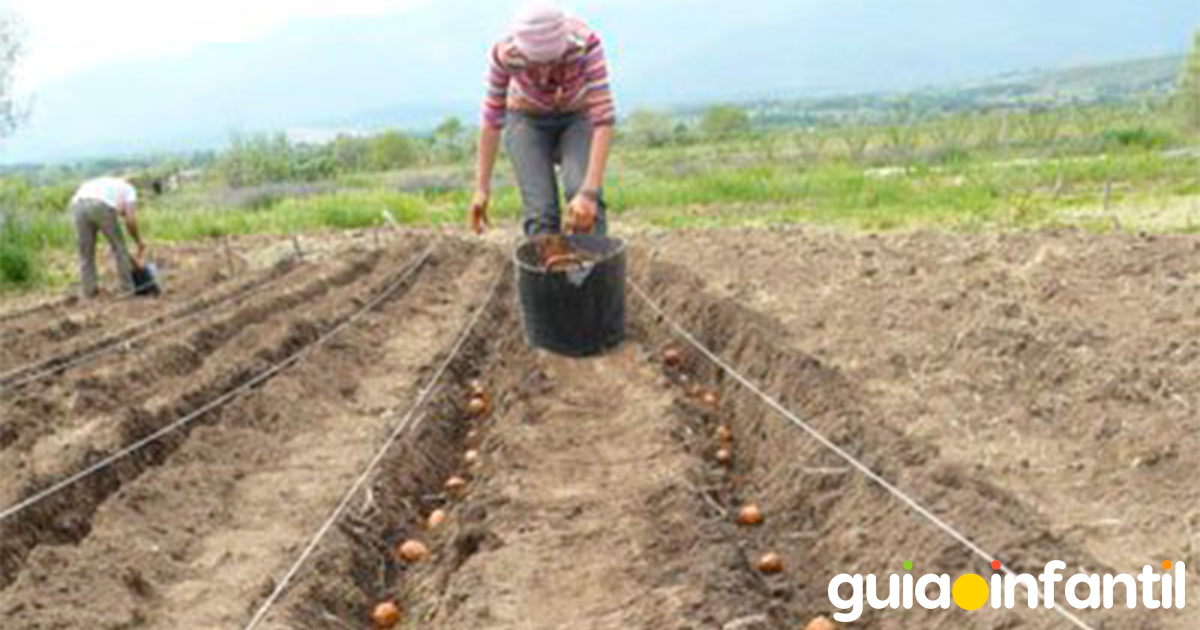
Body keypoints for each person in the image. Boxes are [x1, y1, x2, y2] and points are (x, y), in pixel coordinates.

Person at [469, 2, 616, 236]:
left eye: (552, 60)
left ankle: (595, 271)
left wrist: (589, 193)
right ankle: (546, 271)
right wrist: (482, 189)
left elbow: (603, 118)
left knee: (582, 197)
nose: (545, 68)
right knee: (541, 212)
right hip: (527, 120)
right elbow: (492, 117)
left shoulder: (585, 44)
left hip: (577, 117)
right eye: (536, 62)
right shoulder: (506, 53)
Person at [69, 176, 146, 298]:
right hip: (99, 205)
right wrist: (138, 241)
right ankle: (126, 289)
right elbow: (130, 220)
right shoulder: (130, 189)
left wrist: (118, 212)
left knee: (86, 253)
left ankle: (88, 292)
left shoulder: (107, 184)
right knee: (119, 248)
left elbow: (118, 209)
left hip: (77, 205)